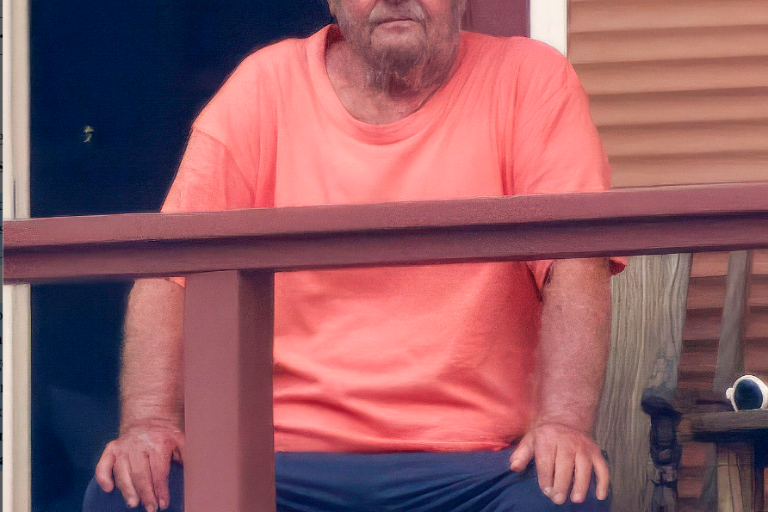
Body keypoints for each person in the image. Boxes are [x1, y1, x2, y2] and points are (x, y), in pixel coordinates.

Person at [84, 0, 625, 510]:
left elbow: (574, 263)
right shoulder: (264, 87)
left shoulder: (530, 80)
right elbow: (170, 271)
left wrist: (562, 422)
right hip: (280, 460)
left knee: (563, 494)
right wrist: (150, 423)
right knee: (128, 494)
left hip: (476, 463)